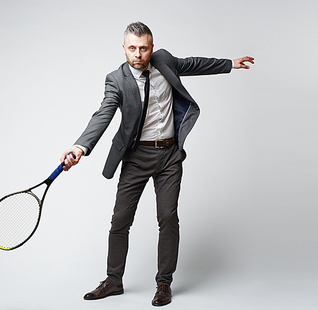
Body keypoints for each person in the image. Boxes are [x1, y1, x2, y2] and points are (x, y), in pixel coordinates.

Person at [60, 22, 254, 306]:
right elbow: (102, 114)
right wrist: (80, 146)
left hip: (169, 156)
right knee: (120, 221)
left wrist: (229, 64)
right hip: (136, 158)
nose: (138, 54)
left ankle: (164, 284)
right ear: (124, 48)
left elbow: (194, 64)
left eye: (143, 48)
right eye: (132, 48)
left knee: (167, 218)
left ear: (151, 47)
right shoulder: (117, 80)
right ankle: (113, 281)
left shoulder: (165, 61)